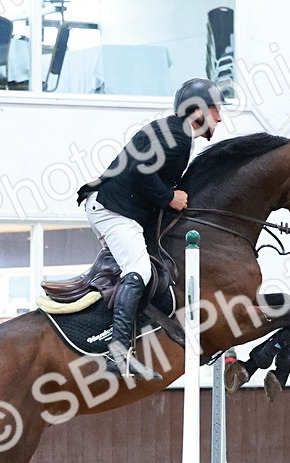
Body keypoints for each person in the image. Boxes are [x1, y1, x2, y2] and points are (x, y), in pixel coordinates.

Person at [76, 77, 225, 381]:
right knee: (139, 270)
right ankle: (117, 354)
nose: (219, 118)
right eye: (215, 110)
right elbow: (141, 170)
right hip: (112, 211)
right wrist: (169, 197)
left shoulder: (176, 131)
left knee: (147, 269)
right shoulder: (178, 135)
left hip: (118, 209)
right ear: (198, 110)